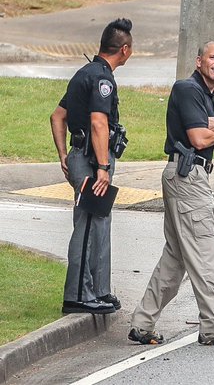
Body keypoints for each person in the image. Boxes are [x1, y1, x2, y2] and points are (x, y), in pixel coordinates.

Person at [128, 41, 214, 346]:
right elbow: (196, 137)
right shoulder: (187, 89)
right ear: (199, 61)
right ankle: (213, 326)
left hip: (191, 177)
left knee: (176, 258)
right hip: (187, 176)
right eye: (213, 58)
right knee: (205, 253)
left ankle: (142, 322)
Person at [50, 18, 134, 315]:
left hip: (79, 155)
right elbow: (99, 122)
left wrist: (63, 154)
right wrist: (101, 167)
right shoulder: (102, 79)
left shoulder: (84, 73)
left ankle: (98, 291)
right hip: (91, 159)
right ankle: (77, 296)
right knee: (87, 225)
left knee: (99, 223)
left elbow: (58, 116)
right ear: (124, 50)